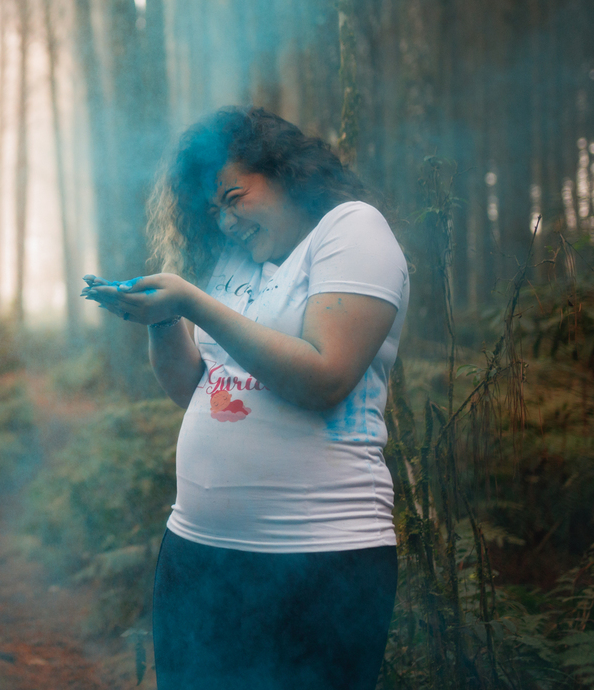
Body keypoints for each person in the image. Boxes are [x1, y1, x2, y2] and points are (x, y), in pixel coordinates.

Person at [81, 106, 407, 690]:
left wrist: (193, 303)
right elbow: (194, 389)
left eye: (234, 197)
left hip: (321, 559)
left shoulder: (351, 229)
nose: (226, 222)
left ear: (285, 173)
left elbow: (325, 377)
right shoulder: (233, 261)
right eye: (213, 211)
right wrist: (162, 320)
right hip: (198, 552)